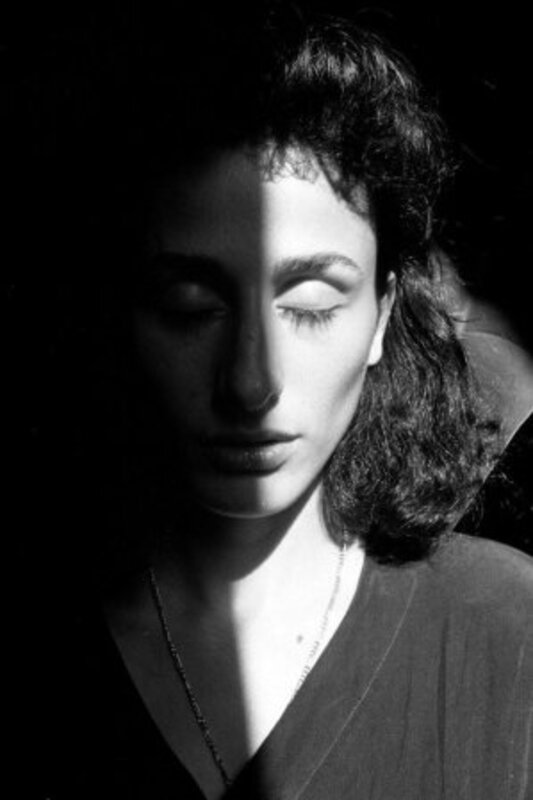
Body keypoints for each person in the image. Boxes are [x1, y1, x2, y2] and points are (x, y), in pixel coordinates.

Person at [15, 6, 532, 799]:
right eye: (192, 307)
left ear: (381, 315)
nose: (251, 383)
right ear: (122, 314)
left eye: (313, 303)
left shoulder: (506, 635)